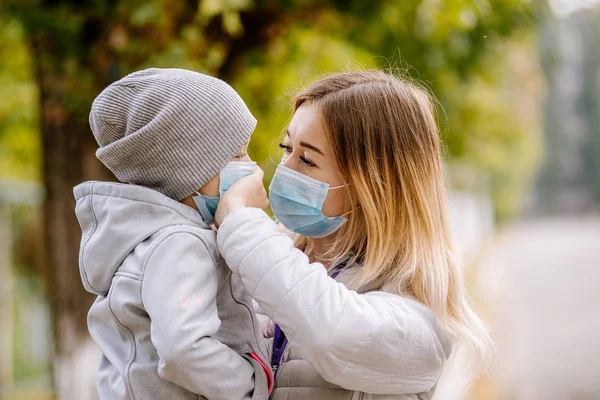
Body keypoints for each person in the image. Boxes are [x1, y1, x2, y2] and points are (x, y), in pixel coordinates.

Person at [214, 70, 493, 399]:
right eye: (286, 147)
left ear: (374, 186)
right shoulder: (268, 262)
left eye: (306, 159)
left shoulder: (419, 322)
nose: (283, 169)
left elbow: (331, 332)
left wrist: (240, 221)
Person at [73, 68, 272, 400]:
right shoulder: (181, 243)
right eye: (237, 155)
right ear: (187, 170)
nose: (251, 167)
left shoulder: (151, 238)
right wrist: (250, 385)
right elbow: (183, 346)